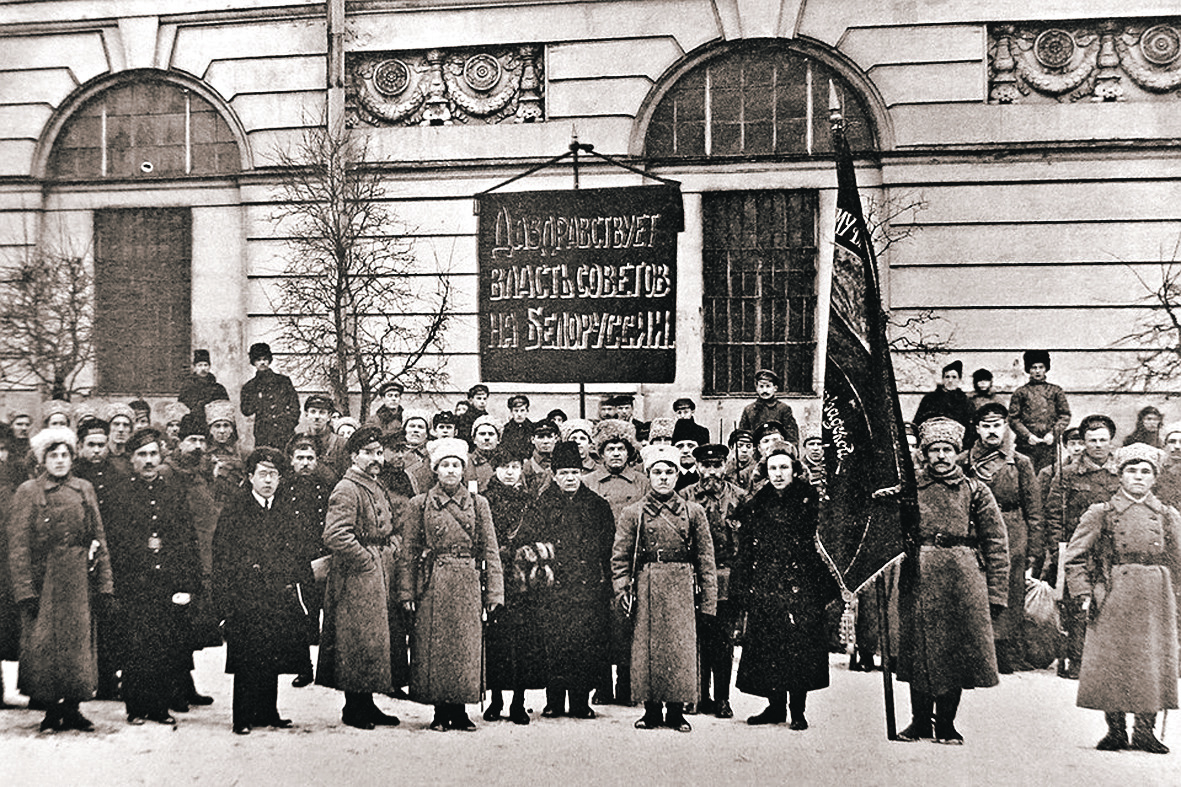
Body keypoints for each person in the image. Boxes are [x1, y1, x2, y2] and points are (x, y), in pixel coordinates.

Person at [896, 417, 1008, 745]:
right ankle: (919, 722)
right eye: (934, 450)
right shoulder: (911, 488)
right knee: (920, 649)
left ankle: (945, 722)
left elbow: (996, 543)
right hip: (919, 574)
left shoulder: (975, 490)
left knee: (954, 652)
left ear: (957, 453)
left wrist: (997, 592)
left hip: (963, 578)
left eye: (947, 450)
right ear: (925, 454)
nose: (941, 456)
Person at [1063, 442, 1180, 754]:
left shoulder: (1168, 515)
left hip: (1156, 595)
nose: (1138, 478)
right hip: (1114, 593)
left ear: (1155, 478)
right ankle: (1115, 730)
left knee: (1152, 661)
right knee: (1112, 662)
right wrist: (1084, 592)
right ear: (1119, 475)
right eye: (1132, 471)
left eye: (1145, 472)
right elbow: (1075, 558)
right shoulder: (1101, 512)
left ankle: (1145, 730)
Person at [7, 427, 114, 733]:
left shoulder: (84, 489)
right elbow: (18, 546)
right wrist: (25, 589)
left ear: (72, 457)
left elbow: (99, 538)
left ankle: (74, 708)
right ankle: (51, 710)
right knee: (44, 646)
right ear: (42, 460)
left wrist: (105, 583)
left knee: (77, 645)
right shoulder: (28, 491)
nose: (60, 460)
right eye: (53, 455)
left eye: (65, 454)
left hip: (79, 579)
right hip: (45, 582)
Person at [398, 437, 503, 731]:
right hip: (434, 582)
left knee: (464, 647)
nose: (451, 471)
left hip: (468, 582)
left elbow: (490, 550)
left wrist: (494, 591)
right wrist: (407, 590)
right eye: (445, 465)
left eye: (456, 465)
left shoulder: (479, 503)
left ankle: (460, 710)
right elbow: (408, 551)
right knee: (435, 648)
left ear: (463, 469)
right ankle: (439, 711)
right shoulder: (419, 504)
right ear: (436, 470)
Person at [731, 440, 835, 729]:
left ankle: (798, 711)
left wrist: (822, 585)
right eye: (772, 467)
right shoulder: (758, 502)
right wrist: (744, 585)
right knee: (769, 646)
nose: (778, 473)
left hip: (801, 583)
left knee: (799, 647)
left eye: (784, 467)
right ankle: (774, 708)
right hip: (767, 582)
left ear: (795, 470)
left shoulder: (810, 498)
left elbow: (824, 541)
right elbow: (747, 547)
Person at [612, 444, 716, 733]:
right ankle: (651, 710)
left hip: (682, 585)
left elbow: (706, 560)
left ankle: (676, 711)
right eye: (657, 472)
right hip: (647, 583)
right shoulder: (634, 513)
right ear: (648, 475)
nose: (663, 478)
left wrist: (708, 603)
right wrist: (622, 589)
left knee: (679, 649)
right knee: (647, 649)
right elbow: (620, 556)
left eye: (669, 472)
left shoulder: (693, 512)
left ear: (676, 475)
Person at [104, 428, 203, 726]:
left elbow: (187, 541)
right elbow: (115, 543)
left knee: (165, 645)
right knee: (135, 647)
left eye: (153, 455)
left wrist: (188, 584)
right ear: (132, 459)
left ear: (161, 458)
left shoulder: (173, 493)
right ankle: (135, 707)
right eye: (142, 455)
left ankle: (159, 706)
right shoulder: (118, 494)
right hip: (134, 585)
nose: (148, 461)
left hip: (167, 585)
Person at [213, 447, 313, 734]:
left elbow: (297, 551)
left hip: (276, 596)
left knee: (272, 655)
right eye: (263, 474)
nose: (268, 481)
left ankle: (268, 711)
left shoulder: (284, 509)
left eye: (274, 475)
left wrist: (298, 586)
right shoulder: (236, 509)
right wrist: (224, 603)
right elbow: (222, 557)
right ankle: (242, 716)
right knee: (247, 659)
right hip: (245, 598)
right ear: (250, 477)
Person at [513, 441, 615, 721]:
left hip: (586, 588)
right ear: (554, 474)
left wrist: (605, 585)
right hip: (552, 589)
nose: (570, 478)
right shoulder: (541, 505)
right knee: (554, 643)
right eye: (564, 473)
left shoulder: (597, 505)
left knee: (584, 644)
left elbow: (608, 549)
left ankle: (580, 701)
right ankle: (554, 701)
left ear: (581, 472)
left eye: (574, 472)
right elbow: (527, 545)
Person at [314, 426, 402, 729]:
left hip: (378, 572)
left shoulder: (375, 485)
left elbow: (387, 525)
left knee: (374, 641)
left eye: (379, 453)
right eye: (369, 453)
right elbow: (336, 535)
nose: (376, 459)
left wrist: (392, 546)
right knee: (357, 641)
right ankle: (353, 708)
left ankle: (368, 703)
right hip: (355, 577)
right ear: (354, 455)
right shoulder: (347, 488)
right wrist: (366, 561)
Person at [961, 402, 1043, 673]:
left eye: (997, 425)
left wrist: (1034, 546)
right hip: (976, 532)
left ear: (1006, 426)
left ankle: (1005, 651)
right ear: (977, 429)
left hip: (1012, 533)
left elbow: (1033, 508)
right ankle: (976, 650)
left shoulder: (1020, 463)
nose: (992, 431)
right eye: (986, 426)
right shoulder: (964, 463)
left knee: (1011, 591)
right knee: (976, 588)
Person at [1043, 414, 1121, 679]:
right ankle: (1076, 661)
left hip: (1112, 550)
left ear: (1111, 441)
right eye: (1092, 440)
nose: (1098, 445)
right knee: (1076, 605)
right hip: (1077, 549)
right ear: (1084, 442)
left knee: (1109, 602)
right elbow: (1053, 513)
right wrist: (1057, 550)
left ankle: (1108, 661)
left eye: (1103, 440)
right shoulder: (1067, 473)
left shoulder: (1122, 470)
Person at [580, 419, 647, 706]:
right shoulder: (588, 482)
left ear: (629, 451)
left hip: (633, 560)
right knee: (601, 624)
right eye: (611, 449)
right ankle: (602, 685)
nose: (616, 454)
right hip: (598, 562)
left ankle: (627, 683)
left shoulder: (642, 482)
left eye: (621, 448)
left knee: (628, 622)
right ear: (601, 453)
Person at [159, 414, 223, 688]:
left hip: (201, 558)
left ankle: (185, 683)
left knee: (190, 625)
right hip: (177, 559)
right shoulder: (168, 474)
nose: (197, 446)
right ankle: (175, 686)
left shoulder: (202, 474)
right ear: (179, 442)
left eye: (201, 441)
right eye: (191, 440)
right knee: (174, 623)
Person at [682, 444, 745, 720]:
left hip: (726, 578)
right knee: (696, 638)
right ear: (697, 467)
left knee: (722, 641)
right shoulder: (684, 497)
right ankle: (697, 695)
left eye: (717, 465)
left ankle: (722, 698)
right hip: (693, 577)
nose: (711, 472)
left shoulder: (740, 498)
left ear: (725, 466)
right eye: (706, 466)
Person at [71, 417, 126, 700]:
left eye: (101, 445)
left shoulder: (117, 476)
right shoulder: (74, 477)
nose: (96, 451)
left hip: (110, 556)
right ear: (80, 446)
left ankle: (107, 679)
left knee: (109, 620)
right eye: (90, 445)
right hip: (78, 557)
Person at [481, 448, 537, 725]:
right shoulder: (484, 500)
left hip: (522, 580)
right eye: (504, 466)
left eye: (515, 466)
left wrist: (527, 552)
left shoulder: (529, 501)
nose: (509, 471)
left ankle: (518, 702)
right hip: (494, 576)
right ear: (495, 469)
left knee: (522, 642)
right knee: (496, 641)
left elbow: (540, 537)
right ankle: (495, 700)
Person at [283, 435, 334, 688]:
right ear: (291, 461)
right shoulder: (283, 489)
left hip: (323, 556)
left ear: (317, 461)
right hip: (295, 560)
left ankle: (329, 668)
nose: (305, 463)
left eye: (310, 458)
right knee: (301, 616)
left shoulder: (326, 488)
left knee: (329, 614)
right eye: (300, 458)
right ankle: (304, 668)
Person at [1008, 350, 1071, 473]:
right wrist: (1027, 436)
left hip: (1048, 447)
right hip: (1026, 447)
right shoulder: (1020, 393)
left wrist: (1053, 434)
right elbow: (1013, 419)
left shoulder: (1055, 391)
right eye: (1033, 368)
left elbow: (1065, 416)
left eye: (1041, 367)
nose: (1037, 371)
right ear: (1028, 370)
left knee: (1048, 477)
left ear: (1046, 369)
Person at [239, 342, 300, 451]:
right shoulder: (250, 386)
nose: (262, 362)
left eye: (265, 359)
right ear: (253, 362)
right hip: (263, 435)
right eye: (258, 360)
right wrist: (257, 397)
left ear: (269, 360)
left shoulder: (283, 381)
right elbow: (246, 410)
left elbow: (295, 406)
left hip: (285, 434)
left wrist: (289, 424)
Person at [737, 369, 799, 447]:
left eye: (768, 386)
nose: (764, 390)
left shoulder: (783, 409)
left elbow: (791, 437)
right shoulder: (749, 410)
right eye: (761, 386)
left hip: (777, 451)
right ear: (757, 388)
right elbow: (743, 435)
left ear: (775, 388)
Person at [204, 400, 245, 509]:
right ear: (210, 430)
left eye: (226, 425)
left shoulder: (242, 452)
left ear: (231, 429)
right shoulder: (204, 453)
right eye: (217, 426)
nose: (222, 431)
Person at [913, 360, 974, 431]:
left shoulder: (965, 401)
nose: (950, 380)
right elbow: (918, 422)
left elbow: (970, 426)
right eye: (947, 377)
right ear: (942, 379)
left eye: (954, 377)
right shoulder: (930, 398)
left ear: (959, 380)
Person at [296, 394, 346, 481]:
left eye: (322, 412)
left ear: (329, 417)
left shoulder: (341, 444)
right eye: (313, 412)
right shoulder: (297, 441)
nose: (317, 417)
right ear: (306, 415)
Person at [178, 349, 229, 430]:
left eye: (205, 365)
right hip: (192, 427)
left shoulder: (218, 388)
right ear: (194, 367)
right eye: (200, 365)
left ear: (209, 367)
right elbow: (181, 409)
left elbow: (225, 410)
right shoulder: (187, 387)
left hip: (213, 428)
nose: (203, 368)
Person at [522, 420, 558, 496]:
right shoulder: (527, 467)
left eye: (549, 437)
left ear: (556, 439)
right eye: (541, 437)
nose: (545, 441)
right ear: (532, 440)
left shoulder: (562, 463)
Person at [467, 414, 501, 492]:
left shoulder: (505, 462)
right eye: (482, 434)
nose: (486, 438)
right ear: (474, 439)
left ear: (498, 439)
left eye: (491, 434)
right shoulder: (467, 463)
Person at [105, 403, 135, 477]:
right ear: (109, 428)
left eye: (126, 425)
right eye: (116, 424)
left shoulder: (133, 458)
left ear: (130, 430)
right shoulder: (102, 456)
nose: (121, 429)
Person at [501, 394, 535, 459]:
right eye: (516, 411)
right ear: (511, 412)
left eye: (522, 410)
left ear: (527, 411)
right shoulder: (506, 429)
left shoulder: (533, 428)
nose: (519, 414)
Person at [671, 419, 702, 491]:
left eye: (691, 446)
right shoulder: (669, 478)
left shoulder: (705, 476)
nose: (685, 451)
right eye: (680, 446)